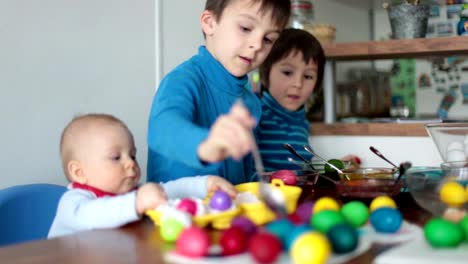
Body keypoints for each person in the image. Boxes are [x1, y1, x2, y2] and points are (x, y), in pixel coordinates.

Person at [147, 0, 291, 185]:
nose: (257, 45)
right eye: (246, 28)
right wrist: (207, 145)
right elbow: (162, 130)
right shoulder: (183, 80)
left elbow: (243, 173)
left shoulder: (251, 103)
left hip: (228, 210)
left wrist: (266, 180)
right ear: (209, 22)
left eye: (268, 39)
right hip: (175, 209)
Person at [48, 114, 236, 238]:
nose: (130, 163)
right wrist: (136, 203)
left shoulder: (130, 193)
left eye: (132, 155)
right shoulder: (73, 204)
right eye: (115, 157)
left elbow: (169, 190)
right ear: (79, 173)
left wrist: (204, 184)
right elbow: (92, 216)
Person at [257, 28, 361, 172]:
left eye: (308, 76)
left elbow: (301, 171)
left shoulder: (301, 123)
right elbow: (245, 175)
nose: (298, 84)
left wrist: (334, 168)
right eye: (287, 72)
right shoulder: (256, 116)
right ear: (264, 74)